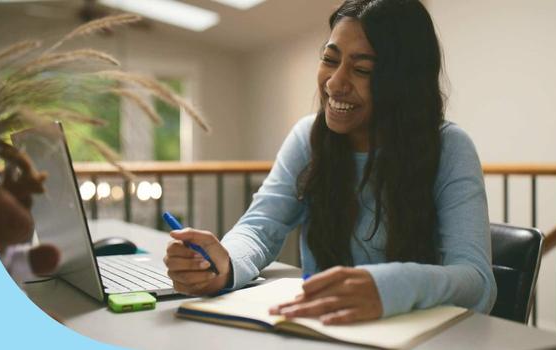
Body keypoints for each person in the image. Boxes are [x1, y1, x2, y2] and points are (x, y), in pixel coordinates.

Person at [164, 0, 496, 325]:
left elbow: (476, 280)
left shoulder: (450, 147)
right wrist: (224, 264)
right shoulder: (308, 137)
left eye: (363, 69)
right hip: (323, 330)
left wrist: (389, 286)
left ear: (404, 82)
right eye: (329, 59)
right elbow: (259, 228)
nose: (335, 83)